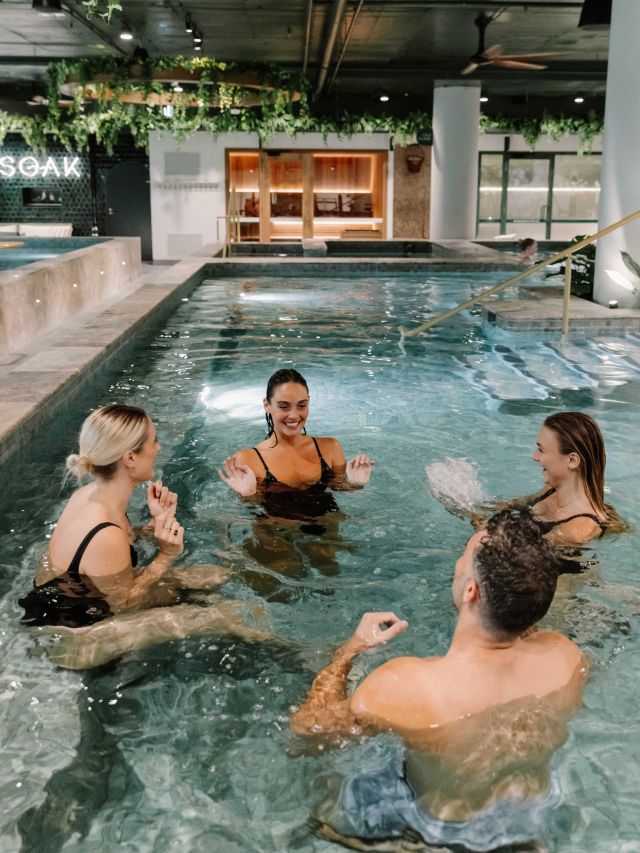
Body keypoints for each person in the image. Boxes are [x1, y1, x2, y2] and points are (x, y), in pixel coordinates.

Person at [291, 510, 587, 851]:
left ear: (471, 591)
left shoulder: (405, 685)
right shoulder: (565, 657)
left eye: (463, 557)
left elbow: (310, 731)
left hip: (445, 830)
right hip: (528, 821)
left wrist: (349, 651)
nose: (458, 563)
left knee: (322, 814)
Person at [19, 404, 271, 669]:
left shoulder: (90, 496)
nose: (159, 448)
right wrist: (165, 557)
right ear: (130, 458)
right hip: (74, 639)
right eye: (154, 441)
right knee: (223, 615)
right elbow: (124, 604)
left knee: (211, 574)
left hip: (79, 603)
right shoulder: (104, 532)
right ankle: (293, 656)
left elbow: (102, 563)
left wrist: (150, 529)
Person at [217, 369, 374, 584]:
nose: (294, 415)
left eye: (302, 405)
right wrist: (248, 494)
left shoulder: (329, 448)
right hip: (275, 530)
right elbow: (249, 508)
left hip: (324, 523)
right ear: (267, 405)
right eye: (283, 406)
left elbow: (339, 486)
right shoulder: (249, 459)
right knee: (284, 580)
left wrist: (355, 483)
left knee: (331, 576)